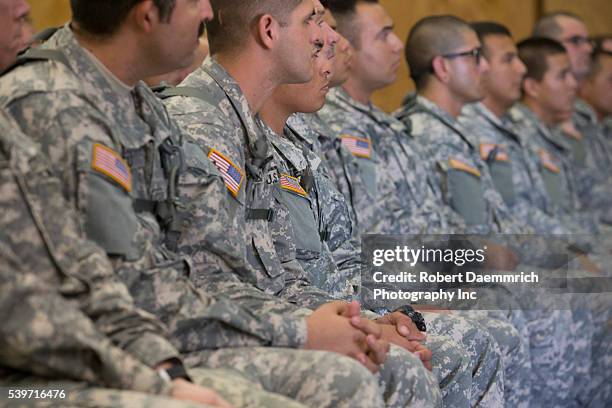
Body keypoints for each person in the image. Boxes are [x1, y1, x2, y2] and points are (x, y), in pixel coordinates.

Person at [0, 1, 392, 407]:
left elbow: (323, 261)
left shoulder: (323, 130)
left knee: (445, 332)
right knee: (388, 363)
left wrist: (382, 314)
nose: (329, 37)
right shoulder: (196, 119)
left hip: (158, 336)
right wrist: (352, 319)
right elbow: (115, 286)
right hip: (97, 356)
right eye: (313, 20)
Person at [162, 0, 446, 406]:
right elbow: (212, 285)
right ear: (269, 31)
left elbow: (288, 272)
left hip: (297, 309)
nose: (326, 37)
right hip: (217, 334)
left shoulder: (251, 126)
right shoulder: (204, 124)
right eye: (312, 20)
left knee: (523, 290)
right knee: (409, 360)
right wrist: (344, 327)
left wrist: (366, 322)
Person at [318, 4, 519, 408]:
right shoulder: (330, 129)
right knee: (496, 322)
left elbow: (437, 222)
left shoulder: (390, 128)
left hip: (414, 277)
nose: (398, 45)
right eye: (384, 34)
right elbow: (354, 244)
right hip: (379, 286)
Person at [508, 37, 612, 406]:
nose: (574, 84)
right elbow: (518, 215)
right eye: (562, 75)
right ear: (533, 87)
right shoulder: (511, 134)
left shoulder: (547, 132)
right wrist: (577, 248)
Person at [533, 12, 612, 223]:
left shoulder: (583, 115)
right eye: (576, 41)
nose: (587, 48)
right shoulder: (534, 117)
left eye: (587, 42)